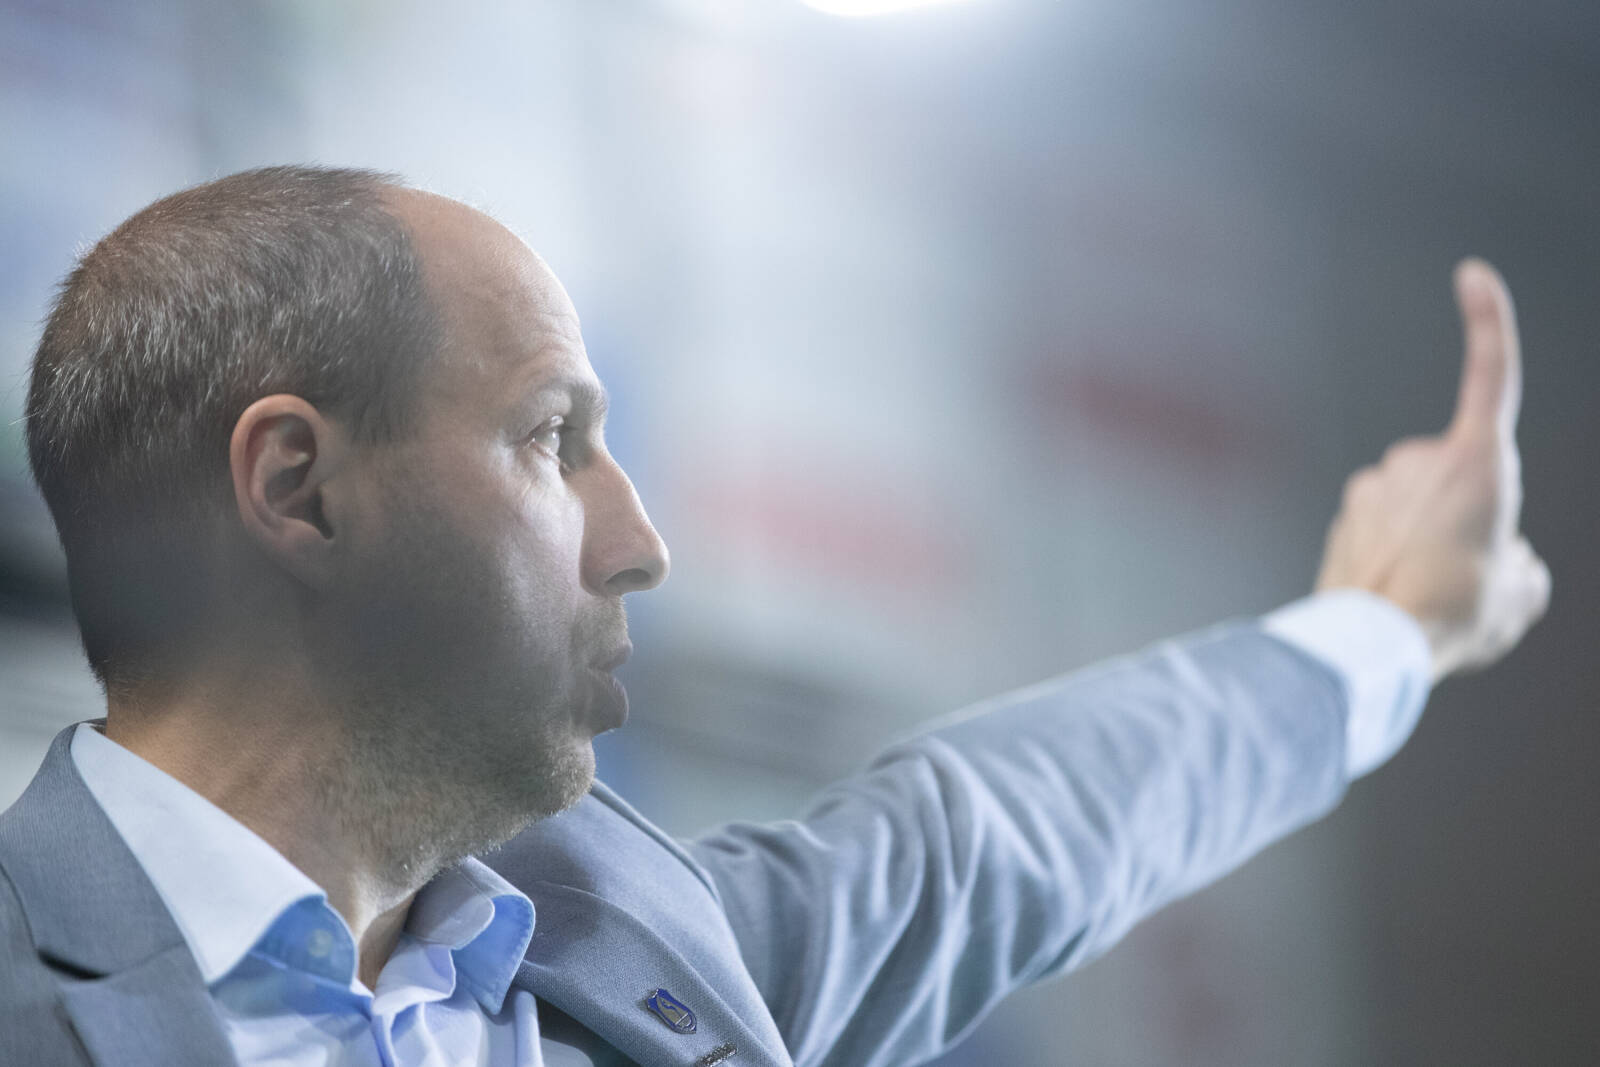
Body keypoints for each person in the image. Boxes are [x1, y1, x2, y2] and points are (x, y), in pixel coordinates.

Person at [0, 166, 1548, 1067]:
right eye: (552, 439)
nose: (641, 545)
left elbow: (1009, 832)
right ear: (298, 486)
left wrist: (1389, 627)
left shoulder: (624, 961)